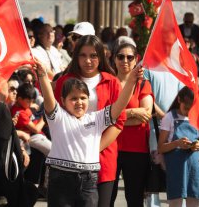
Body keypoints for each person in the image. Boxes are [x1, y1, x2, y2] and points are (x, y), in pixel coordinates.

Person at [35, 57, 143, 207]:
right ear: (63, 100)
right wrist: (42, 75)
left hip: (89, 182)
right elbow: (48, 98)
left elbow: (120, 105)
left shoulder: (97, 118)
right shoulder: (58, 117)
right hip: (61, 181)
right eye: (73, 98)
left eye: (83, 98)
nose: (79, 102)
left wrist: (131, 80)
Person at [54, 35, 126, 207]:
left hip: (104, 157)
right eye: (83, 55)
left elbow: (118, 122)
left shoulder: (112, 82)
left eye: (93, 55)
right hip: (70, 158)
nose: (88, 60)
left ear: (101, 57)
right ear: (76, 56)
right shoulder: (64, 81)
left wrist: (95, 148)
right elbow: (55, 117)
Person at [110, 43, 154, 207]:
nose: (125, 60)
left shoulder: (143, 84)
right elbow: (104, 116)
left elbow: (146, 115)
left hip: (137, 150)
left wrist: (115, 117)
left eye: (130, 57)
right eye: (120, 56)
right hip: (110, 148)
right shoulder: (108, 83)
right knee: (106, 200)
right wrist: (132, 112)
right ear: (114, 59)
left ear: (136, 60)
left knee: (135, 200)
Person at [143, 69, 184, 207]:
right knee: (153, 178)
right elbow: (144, 95)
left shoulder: (180, 68)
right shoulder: (146, 67)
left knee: (177, 178)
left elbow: (184, 98)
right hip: (152, 130)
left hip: (176, 129)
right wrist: (164, 116)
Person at [158, 87, 199, 207]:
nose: (188, 112)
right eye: (186, 108)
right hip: (176, 168)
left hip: (195, 167)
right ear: (179, 100)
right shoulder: (169, 117)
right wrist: (177, 143)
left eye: (191, 109)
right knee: (175, 202)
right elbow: (161, 147)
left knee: (194, 201)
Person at [11, 83, 51, 156]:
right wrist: (44, 118)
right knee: (52, 151)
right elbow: (36, 129)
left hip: (36, 130)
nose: (30, 104)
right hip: (31, 135)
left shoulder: (23, 105)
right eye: (28, 101)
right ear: (19, 99)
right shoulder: (20, 113)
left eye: (31, 101)